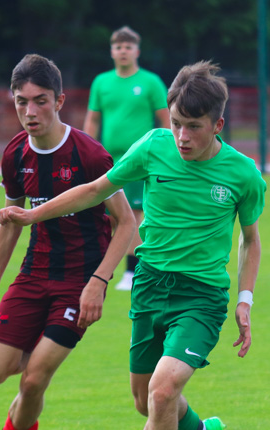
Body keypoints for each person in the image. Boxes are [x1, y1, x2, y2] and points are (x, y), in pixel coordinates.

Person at [0, 61, 265, 430]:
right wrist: (30, 216)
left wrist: (244, 300)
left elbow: (252, 240)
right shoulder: (154, 147)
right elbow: (95, 189)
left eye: (193, 128)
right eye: (177, 124)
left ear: (218, 125)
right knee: (146, 401)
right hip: (149, 287)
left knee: (162, 393)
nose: (181, 137)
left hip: (201, 298)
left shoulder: (243, 174)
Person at [0, 54, 135, 430]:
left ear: (60, 100)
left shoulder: (90, 155)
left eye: (39, 101)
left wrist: (100, 282)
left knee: (32, 381)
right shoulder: (15, 154)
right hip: (33, 274)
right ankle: (41, 349)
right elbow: (9, 226)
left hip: (78, 283)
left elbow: (127, 224)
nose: (29, 112)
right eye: (20, 101)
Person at [84, 26, 170, 291]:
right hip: (109, 159)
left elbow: (165, 118)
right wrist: (87, 151)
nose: (123, 51)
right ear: (112, 51)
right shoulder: (101, 82)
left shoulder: (150, 82)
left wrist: (166, 151)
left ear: (137, 51)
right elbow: (94, 119)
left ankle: (133, 271)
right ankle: (102, 268)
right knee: (108, 214)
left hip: (139, 160)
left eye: (128, 47)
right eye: (118, 46)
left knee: (135, 212)